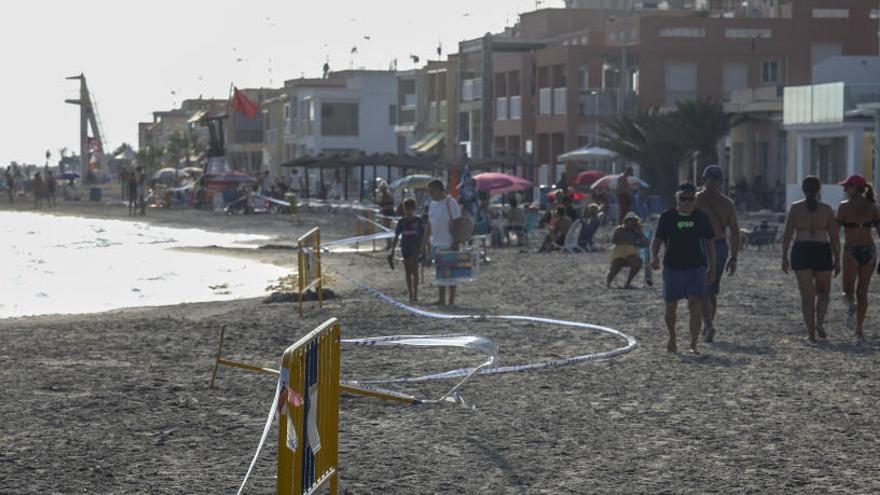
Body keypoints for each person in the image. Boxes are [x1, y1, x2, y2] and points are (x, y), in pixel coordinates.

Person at [651, 183, 716, 354]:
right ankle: (672, 338)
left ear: (695, 200)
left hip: (696, 267)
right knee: (670, 306)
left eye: (690, 198)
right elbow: (657, 239)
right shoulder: (667, 217)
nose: (687, 202)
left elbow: (710, 243)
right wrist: (654, 256)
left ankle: (694, 343)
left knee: (695, 303)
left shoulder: (701, 217)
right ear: (677, 199)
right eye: (683, 198)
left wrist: (712, 268)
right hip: (672, 267)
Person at [781, 176, 840, 343]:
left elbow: (787, 235)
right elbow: (834, 237)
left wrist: (784, 256)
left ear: (803, 190)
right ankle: (819, 322)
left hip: (802, 250)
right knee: (824, 292)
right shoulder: (827, 209)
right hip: (822, 250)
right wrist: (838, 259)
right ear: (819, 190)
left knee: (807, 296)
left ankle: (811, 333)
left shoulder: (796, 208)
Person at [694, 165, 740, 343]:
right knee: (711, 290)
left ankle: (708, 326)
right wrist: (734, 257)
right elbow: (735, 232)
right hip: (720, 246)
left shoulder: (696, 200)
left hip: (701, 245)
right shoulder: (727, 203)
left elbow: (684, 223)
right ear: (721, 181)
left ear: (703, 179)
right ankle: (708, 325)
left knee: (703, 290)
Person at [835, 174, 878, 342]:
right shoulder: (872, 207)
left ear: (857, 188)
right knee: (856, 291)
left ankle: (858, 326)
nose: (845, 189)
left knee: (854, 291)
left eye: (848, 186)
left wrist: (834, 251)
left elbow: (835, 232)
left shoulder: (844, 207)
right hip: (869, 250)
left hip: (853, 250)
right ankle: (856, 321)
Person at [424, 179, 461, 306]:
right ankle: (441, 299)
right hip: (435, 242)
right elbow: (429, 224)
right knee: (440, 271)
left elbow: (457, 222)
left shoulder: (451, 202)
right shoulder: (432, 204)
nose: (430, 193)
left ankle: (451, 299)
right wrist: (425, 243)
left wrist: (455, 242)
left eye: (432, 190)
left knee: (450, 272)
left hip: (449, 241)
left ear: (439, 189)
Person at [389, 198, 426, 303]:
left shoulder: (418, 221)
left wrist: (424, 248)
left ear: (413, 209)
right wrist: (392, 250)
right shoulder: (401, 222)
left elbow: (424, 235)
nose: (407, 211)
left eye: (409, 208)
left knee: (415, 270)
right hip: (405, 247)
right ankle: (410, 294)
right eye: (405, 209)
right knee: (408, 271)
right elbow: (396, 236)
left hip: (416, 248)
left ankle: (415, 294)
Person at [607, 212, 648, 288]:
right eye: (630, 221)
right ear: (625, 221)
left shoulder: (637, 232)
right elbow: (615, 240)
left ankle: (628, 282)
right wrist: (632, 241)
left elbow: (645, 244)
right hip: (618, 255)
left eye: (633, 221)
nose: (631, 223)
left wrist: (640, 234)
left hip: (631, 255)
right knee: (616, 265)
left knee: (638, 262)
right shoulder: (619, 230)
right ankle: (608, 283)